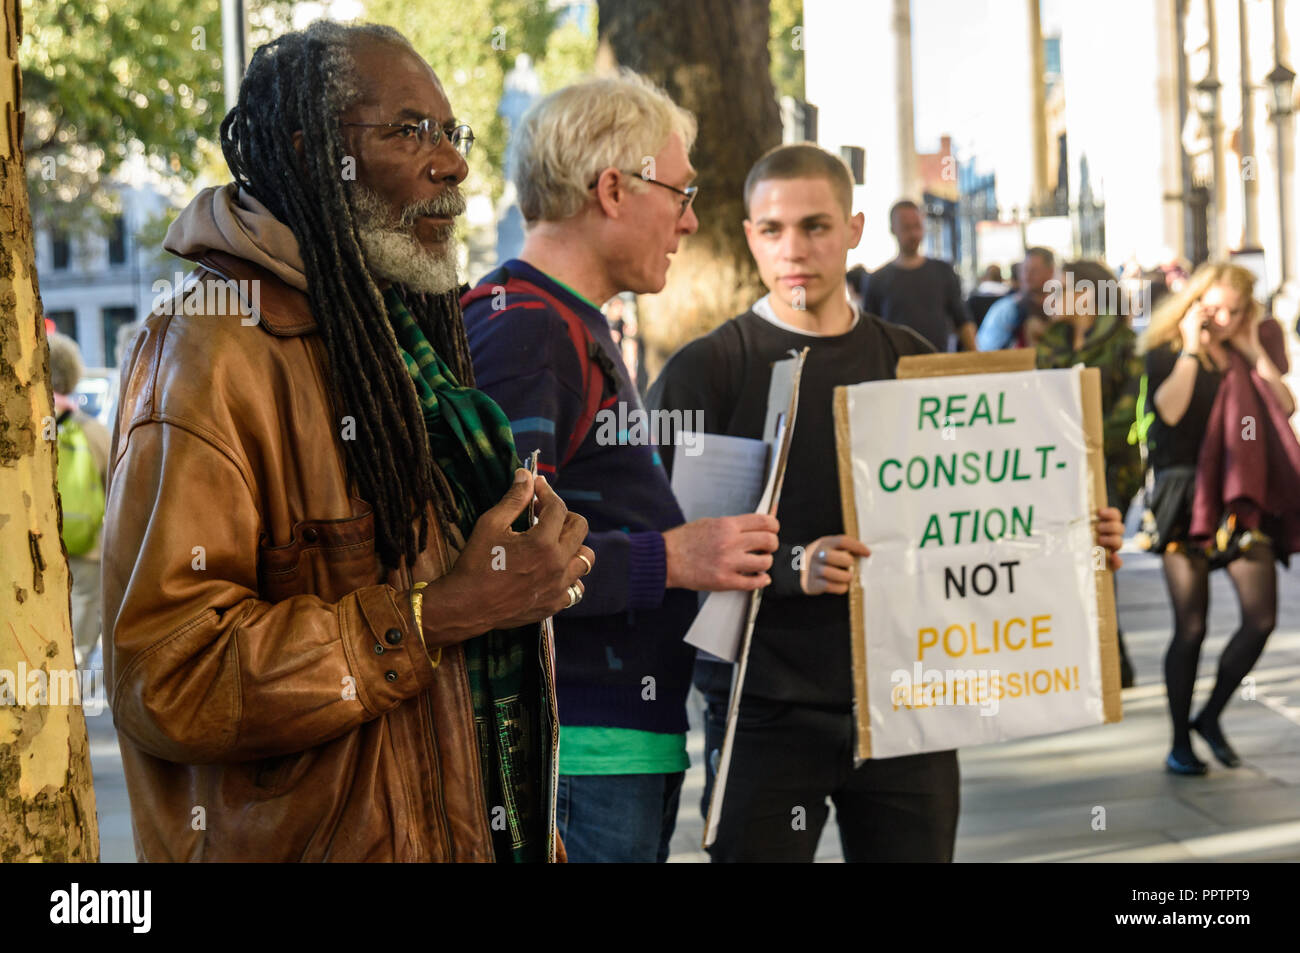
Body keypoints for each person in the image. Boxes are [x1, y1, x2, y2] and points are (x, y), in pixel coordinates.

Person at [101, 21, 592, 862]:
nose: (453, 163)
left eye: (452, 131)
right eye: (410, 131)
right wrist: (438, 613)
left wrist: (529, 570)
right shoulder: (211, 348)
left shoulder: (398, 332)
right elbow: (167, 677)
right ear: (309, 150)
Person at [647, 143, 1126, 862]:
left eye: (815, 226)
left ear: (854, 230)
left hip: (910, 707)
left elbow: (983, 512)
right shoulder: (709, 370)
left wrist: (1072, 538)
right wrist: (789, 566)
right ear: (749, 235)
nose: (794, 249)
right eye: (772, 230)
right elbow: (667, 551)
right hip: (763, 712)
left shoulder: (913, 362)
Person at [461, 72, 779, 863]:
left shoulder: (549, 320)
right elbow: (496, 560)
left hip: (606, 740)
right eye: (679, 190)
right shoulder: (531, 332)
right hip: (581, 746)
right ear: (612, 188)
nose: (691, 218)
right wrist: (671, 556)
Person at [1139, 263, 1299, 776]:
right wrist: (1191, 346)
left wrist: (1253, 352)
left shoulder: (1243, 355)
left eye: (1235, 311)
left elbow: (1286, 405)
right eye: (1215, 307)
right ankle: (1178, 739)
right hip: (1184, 499)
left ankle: (1209, 716)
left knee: (1260, 619)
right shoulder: (1165, 349)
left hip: (1236, 499)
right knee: (1191, 626)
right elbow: (1169, 412)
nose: (1223, 318)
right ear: (1196, 299)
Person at [1036, 260, 1143, 687]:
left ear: (1086, 294)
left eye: (1060, 287)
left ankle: (1112, 659)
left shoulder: (1124, 344)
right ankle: (1101, 654)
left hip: (1109, 471)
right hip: (1058, 471)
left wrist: (1076, 442)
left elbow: (1127, 417)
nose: (1052, 294)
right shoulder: (1050, 342)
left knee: (1100, 556)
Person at [48, 332, 111, 670]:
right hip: (87, 548)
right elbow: (115, 490)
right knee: (81, 623)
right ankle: (73, 683)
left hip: (33, 549)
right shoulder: (93, 431)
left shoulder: (19, 428)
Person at [862, 199, 976, 352]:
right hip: (896, 368)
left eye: (917, 226)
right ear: (892, 229)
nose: (914, 234)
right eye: (906, 228)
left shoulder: (943, 271)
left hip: (939, 363)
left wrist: (976, 356)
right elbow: (870, 332)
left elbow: (962, 320)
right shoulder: (877, 280)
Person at [976, 246, 1056, 350]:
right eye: (1024, 270)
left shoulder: (1062, 309)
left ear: (1050, 272)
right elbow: (984, 351)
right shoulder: (1006, 310)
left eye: (1035, 271)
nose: (1027, 276)